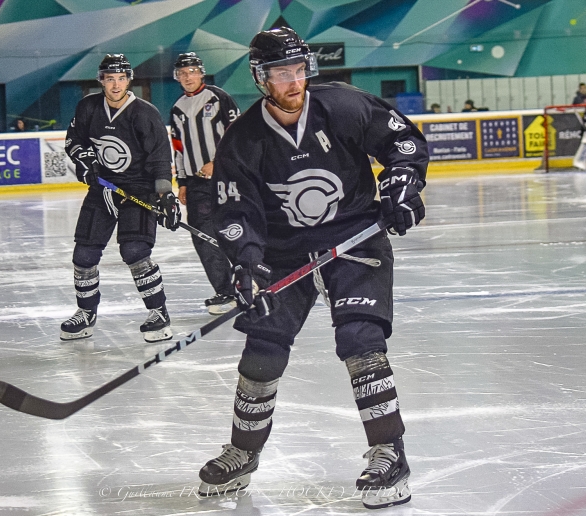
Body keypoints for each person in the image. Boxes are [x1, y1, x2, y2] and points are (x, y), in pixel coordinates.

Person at [197, 27, 428, 509]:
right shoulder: (243, 139)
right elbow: (237, 211)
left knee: (361, 341)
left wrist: (403, 184)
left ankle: (389, 452)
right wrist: (246, 263)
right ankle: (243, 453)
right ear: (261, 79)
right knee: (262, 351)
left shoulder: (343, 105)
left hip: (354, 237)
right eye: (281, 73)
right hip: (285, 253)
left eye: (299, 69)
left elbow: (402, 142)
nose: (293, 81)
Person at [61, 54, 181, 343]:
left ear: (129, 80)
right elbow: (73, 140)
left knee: (135, 252)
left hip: (138, 190)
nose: (115, 85)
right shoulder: (88, 107)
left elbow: (160, 159)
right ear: (101, 80)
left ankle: (158, 313)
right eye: (110, 78)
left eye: (121, 78)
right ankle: (86, 313)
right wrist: (85, 160)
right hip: (103, 188)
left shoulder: (145, 113)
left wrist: (165, 196)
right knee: (84, 255)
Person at [170, 52, 241, 315]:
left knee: (235, 231)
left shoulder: (219, 98)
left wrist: (217, 162)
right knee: (203, 237)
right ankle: (224, 291)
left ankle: (250, 282)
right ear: (177, 77)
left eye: (191, 71)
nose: (187, 77)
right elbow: (178, 148)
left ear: (201, 73)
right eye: (182, 73)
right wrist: (183, 182)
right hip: (197, 185)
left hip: (228, 178)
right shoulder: (177, 108)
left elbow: (237, 134)